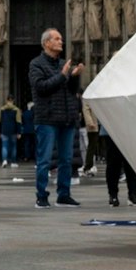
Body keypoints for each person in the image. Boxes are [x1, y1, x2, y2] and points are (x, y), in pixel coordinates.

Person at [28, 29, 84, 208]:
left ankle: (64, 195)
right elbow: (41, 87)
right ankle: (41, 196)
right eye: (57, 39)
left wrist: (74, 77)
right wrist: (62, 75)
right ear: (46, 43)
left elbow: (72, 91)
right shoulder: (36, 64)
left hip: (66, 118)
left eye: (61, 38)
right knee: (45, 160)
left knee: (66, 160)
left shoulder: (62, 63)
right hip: (47, 118)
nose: (61, 41)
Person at [93, 106, 136, 207]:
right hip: (111, 126)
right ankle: (113, 194)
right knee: (113, 163)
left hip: (129, 127)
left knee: (131, 163)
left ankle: (133, 193)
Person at [0, 99, 21, 166]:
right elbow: (18, 121)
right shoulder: (16, 109)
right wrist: (19, 132)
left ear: (7, 100)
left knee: (4, 146)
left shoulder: (1, 109)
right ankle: (13, 162)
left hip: (4, 130)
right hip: (13, 130)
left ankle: (4, 160)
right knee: (13, 146)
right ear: (13, 101)